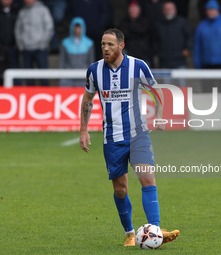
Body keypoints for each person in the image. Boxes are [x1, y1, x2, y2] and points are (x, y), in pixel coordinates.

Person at [79, 28, 180, 246]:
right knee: (120, 189)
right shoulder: (94, 70)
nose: (105, 48)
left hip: (138, 134)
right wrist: (84, 129)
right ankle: (129, 232)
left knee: (147, 178)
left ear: (121, 46)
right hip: (112, 138)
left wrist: (160, 116)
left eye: (110, 45)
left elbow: (156, 91)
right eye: (103, 44)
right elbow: (88, 98)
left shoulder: (138, 66)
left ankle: (157, 231)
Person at [15, 0, 53, 85]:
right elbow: (18, 30)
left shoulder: (43, 10)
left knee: (43, 76)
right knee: (29, 77)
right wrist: (21, 45)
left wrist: (42, 44)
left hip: (40, 49)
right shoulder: (22, 12)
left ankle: (46, 94)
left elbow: (49, 28)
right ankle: (30, 95)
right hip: (26, 49)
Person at [194, 0, 221, 70]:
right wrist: (197, 62)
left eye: (212, 9)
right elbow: (197, 45)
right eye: (209, 10)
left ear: (217, 10)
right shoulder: (202, 25)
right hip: (206, 63)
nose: (210, 12)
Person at [154, 1, 192, 70]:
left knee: (180, 80)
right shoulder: (159, 25)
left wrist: (187, 49)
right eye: (166, 9)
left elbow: (189, 37)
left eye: (170, 9)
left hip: (179, 61)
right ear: (163, 11)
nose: (168, 11)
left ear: (175, 10)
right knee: (164, 81)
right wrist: (158, 53)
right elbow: (155, 41)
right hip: (164, 62)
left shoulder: (182, 22)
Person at [58, 17, 95, 86]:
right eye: (76, 27)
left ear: (83, 28)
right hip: (68, 77)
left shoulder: (89, 43)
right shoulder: (65, 43)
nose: (77, 30)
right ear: (72, 28)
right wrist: (61, 75)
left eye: (79, 27)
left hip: (83, 76)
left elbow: (91, 61)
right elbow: (62, 61)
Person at [119, 1, 152, 65]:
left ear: (139, 10)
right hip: (128, 57)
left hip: (144, 57)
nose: (133, 11)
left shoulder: (146, 22)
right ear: (128, 10)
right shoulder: (123, 22)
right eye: (131, 8)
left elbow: (143, 32)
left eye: (135, 8)